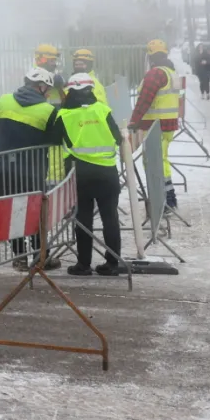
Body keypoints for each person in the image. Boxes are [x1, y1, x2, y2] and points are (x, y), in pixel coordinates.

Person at [45, 74, 125, 276]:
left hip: (80, 173)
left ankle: (83, 264)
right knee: (110, 218)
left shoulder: (63, 115)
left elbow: (53, 141)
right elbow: (117, 138)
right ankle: (112, 263)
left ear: (69, 91)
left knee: (83, 219)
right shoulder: (102, 110)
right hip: (107, 172)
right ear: (91, 90)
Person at [0, 67, 61, 271]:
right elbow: (55, 139)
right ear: (41, 86)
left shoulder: (2, 100)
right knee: (37, 211)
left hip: (4, 168)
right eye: (48, 89)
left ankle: (19, 257)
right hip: (32, 170)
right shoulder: (48, 111)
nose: (48, 94)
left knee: (11, 211)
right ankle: (40, 256)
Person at [128, 39, 180, 209]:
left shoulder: (156, 74)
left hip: (155, 126)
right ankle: (169, 197)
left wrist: (134, 120)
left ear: (150, 56)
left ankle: (163, 200)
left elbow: (145, 99)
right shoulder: (171, 72)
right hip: (167, 124)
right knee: (161, 159)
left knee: (154, 162)